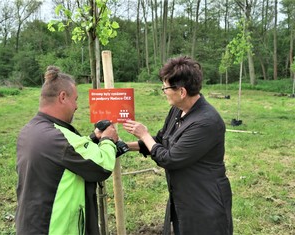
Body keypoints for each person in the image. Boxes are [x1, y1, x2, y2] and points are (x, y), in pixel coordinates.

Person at [123, 56, 233, 235]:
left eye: (165, 87)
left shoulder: (206, 122)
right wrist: (124, 146)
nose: (164, 91)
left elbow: (170, 158)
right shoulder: (177, 110)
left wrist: (143, 133)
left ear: (181, 92)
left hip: (205, 202)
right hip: (183, 198)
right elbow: (160, 141)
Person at [16, 66, 119, 235]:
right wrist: (108, 139)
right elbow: (103, 166)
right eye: (76, 99)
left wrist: (93, 138)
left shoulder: (30, 130)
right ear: (63, 97)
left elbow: (69, 152)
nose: (77, 106)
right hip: (57, 228)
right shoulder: (59, 138)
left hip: (32, 223)